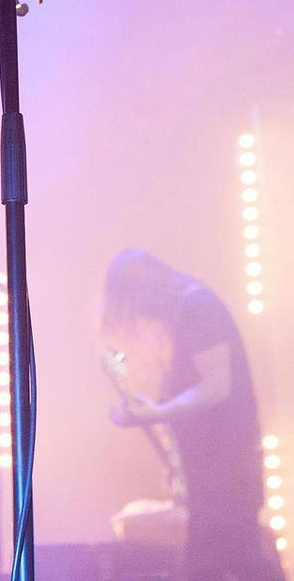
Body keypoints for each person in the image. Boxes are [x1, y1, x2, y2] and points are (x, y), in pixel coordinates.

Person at [101, 249, 282, 581]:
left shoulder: (197, 307)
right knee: (241, 559)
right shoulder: (182, 311)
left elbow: (216, 387)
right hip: (214, 467)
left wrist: (157, 413)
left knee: (209, 565)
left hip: (226, 465)